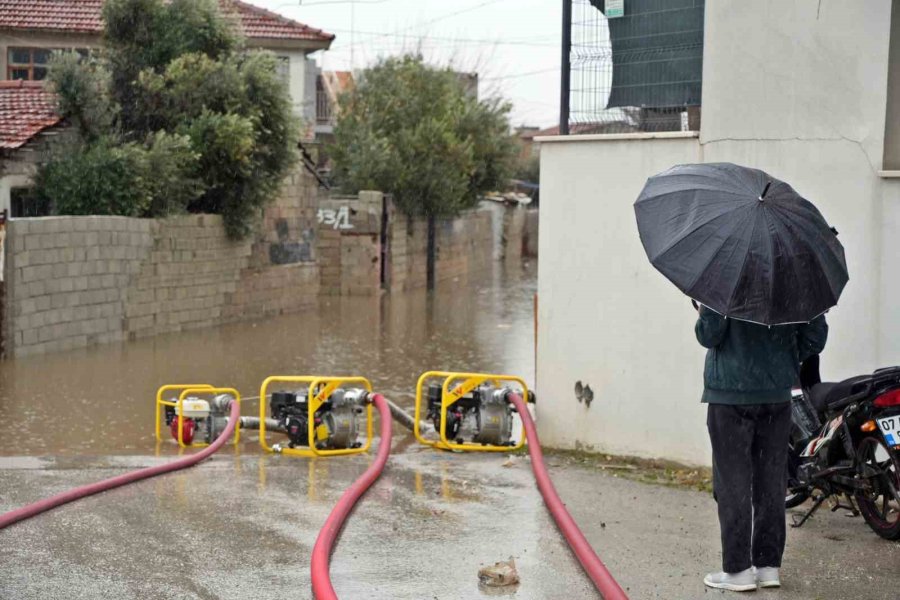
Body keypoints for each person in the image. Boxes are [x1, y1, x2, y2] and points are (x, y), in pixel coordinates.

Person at [695, 304, 828, 592]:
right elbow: (815, 338)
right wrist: (783, 360)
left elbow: (709, 335)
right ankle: (768, 567)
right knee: (772, 481)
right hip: (776, 396)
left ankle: (738, 571)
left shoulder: (724, 281)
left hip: (730, 395)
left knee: (733, 483)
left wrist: (705, 311)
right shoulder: (793, 280)